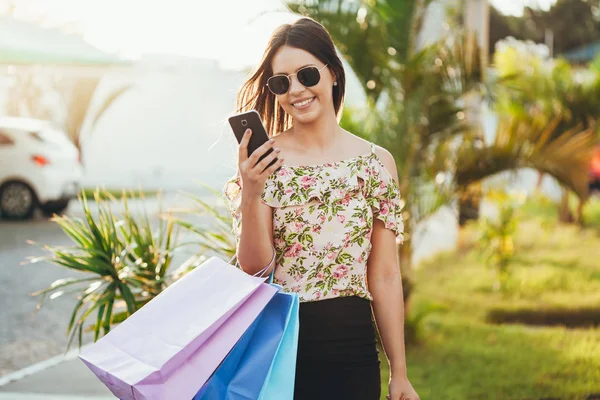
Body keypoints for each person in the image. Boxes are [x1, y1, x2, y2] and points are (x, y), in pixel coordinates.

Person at [223, 17, 419, 400]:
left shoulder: (376, 163)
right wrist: (250, 191)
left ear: (331, 73)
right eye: (282, 82)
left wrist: (400, 373)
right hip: (280, 351)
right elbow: (255, 268)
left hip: (354, 352)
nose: (295, 90)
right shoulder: (266, 163)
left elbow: (384, 275)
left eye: (306, 74)